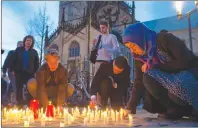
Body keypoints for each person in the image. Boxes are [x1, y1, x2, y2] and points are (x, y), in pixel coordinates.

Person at [122, 22, 198, 119]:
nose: (132, 51)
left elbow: (184, 61)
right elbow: (139, 81)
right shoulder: (140, 58)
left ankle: (193, 108)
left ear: (139, 38)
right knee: (148, 77)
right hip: (171, 85)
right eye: (129, 48)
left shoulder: (164, 39)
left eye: (133, 45)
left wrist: (157, 66)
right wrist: (130, 106)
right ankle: (176, 109)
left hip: (189, 76)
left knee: (176, 89)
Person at [91, 21, 120, 106]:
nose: (101, 29)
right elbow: (95, 49)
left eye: (103, 27)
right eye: (100, 28)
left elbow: (117, 49)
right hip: (98, 61)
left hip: (107, 62)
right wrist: (94, 45)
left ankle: (106, 102)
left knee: (106, 82)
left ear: (107, 27)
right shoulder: (98, 37)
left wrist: (108, 50)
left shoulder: (112, 37)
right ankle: (98, 103)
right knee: (97, 81)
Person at [12, 35, 39, 106]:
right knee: (19, 88)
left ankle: (29, 104)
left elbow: (37, 63)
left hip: (30, 73)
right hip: (19, 72)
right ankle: (19, 104)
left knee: (30, 88)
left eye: (30, 41)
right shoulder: (18, 50)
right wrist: (12, 70)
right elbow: (14, 60)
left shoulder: (34, 52)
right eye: (27, 40)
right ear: (24, 41)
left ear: (32, 42)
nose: (28, 42)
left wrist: (36, 72)